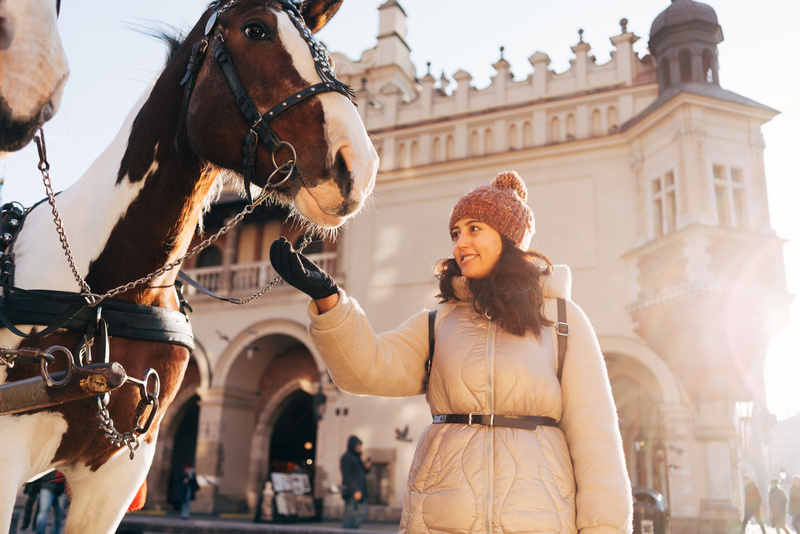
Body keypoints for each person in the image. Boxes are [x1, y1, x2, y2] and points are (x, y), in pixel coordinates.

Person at [270, 171, 633, 533]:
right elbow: (364, 370)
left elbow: (596, 439)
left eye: (475, 229)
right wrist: (329, 301)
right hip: (441, 520)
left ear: (508, 238)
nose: (460, 243)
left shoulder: (563, 320)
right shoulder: (437, 322)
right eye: (455, 233)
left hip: (539, 520)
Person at [340, 435, 372, 529]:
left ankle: (352, 530)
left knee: (363, 512)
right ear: (352, 445)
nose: (359, 447)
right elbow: (347, 476)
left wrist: (366, 468)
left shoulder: (357, 458)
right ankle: (347, 530)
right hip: (352, 492)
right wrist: (355, 490)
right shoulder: (346, 457)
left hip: (360, 491)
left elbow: (361, 473)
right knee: (349, 516)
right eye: (357, 445)